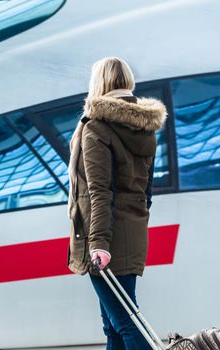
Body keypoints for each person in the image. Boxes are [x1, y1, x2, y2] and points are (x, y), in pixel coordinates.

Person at [67, 57, 167, 350]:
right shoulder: (143, 127)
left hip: (104, 236)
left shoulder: (97, 126)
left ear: (99, 83)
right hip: (130, 231)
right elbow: (146, 190)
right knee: (114, 325)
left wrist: (98, 243)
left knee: (125, 323)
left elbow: (99, 191)